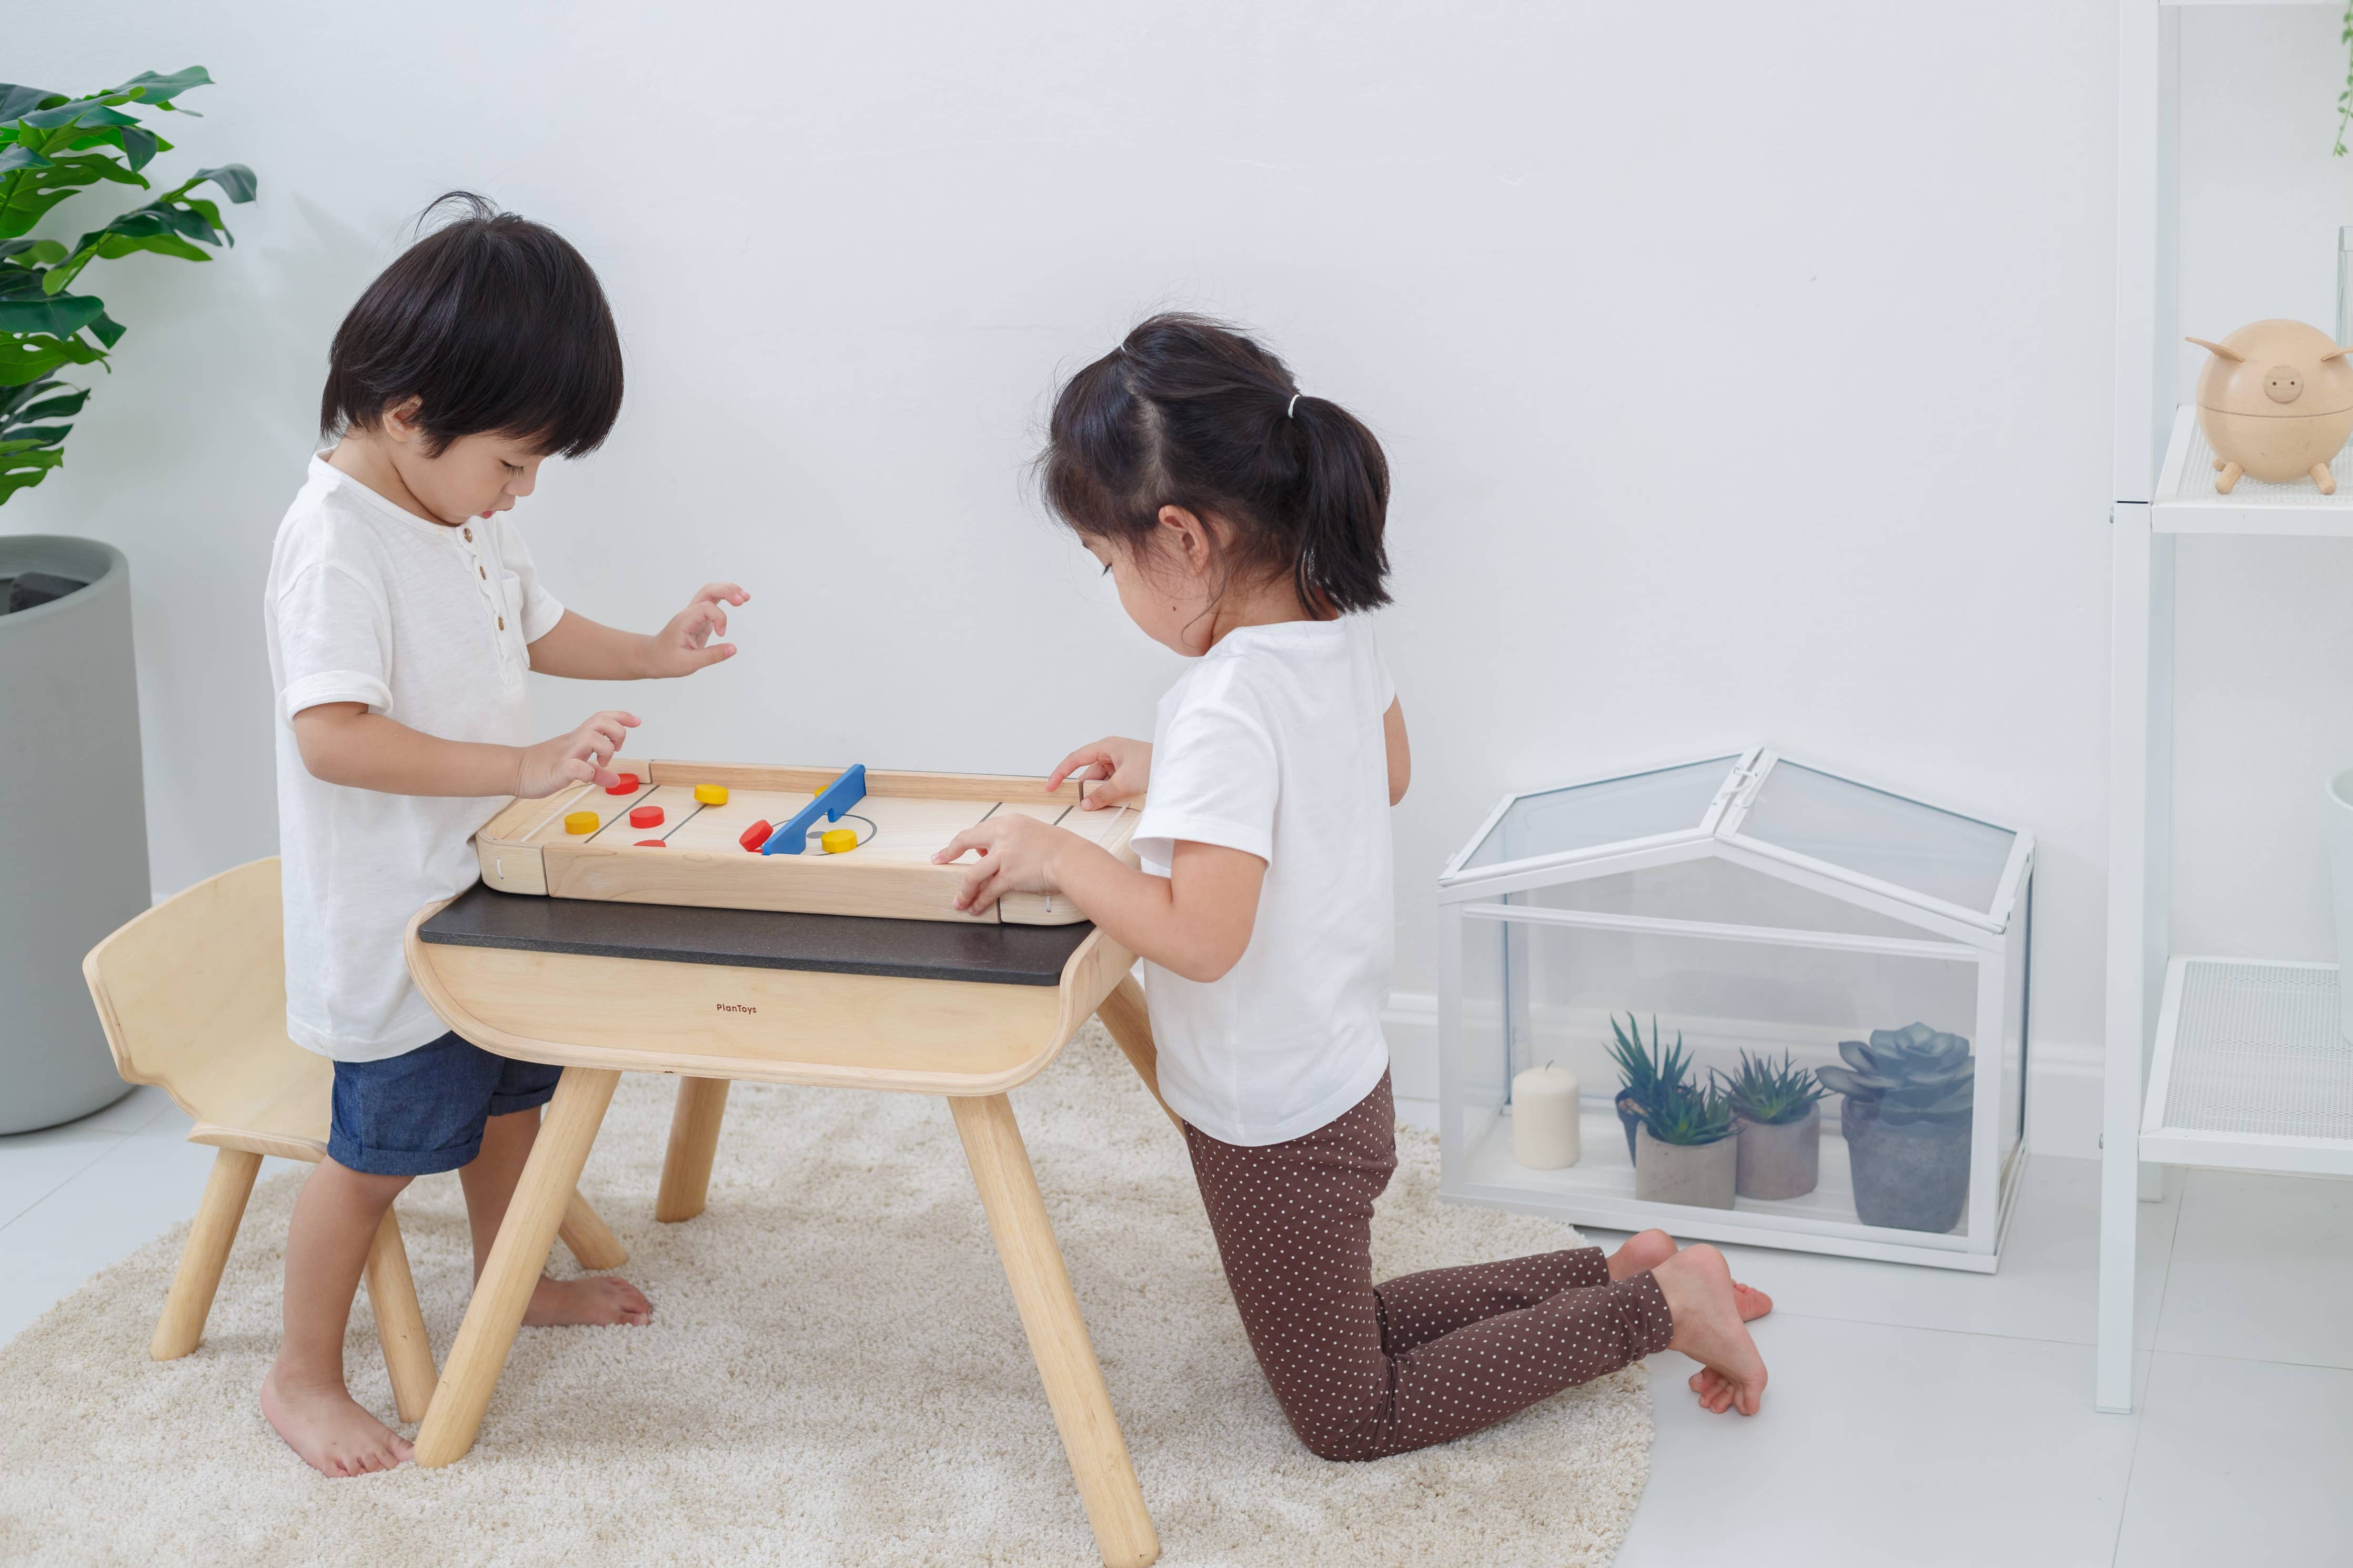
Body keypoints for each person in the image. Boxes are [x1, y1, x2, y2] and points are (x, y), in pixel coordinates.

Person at [935, 313, 1769, 1460]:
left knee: (1350, 1410)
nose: (1110, 587)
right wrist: (1176, 777)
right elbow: (1377, 769)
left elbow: (1203, 936)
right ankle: (1629, 1271)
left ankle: (1661, 1310)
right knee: (1347, 1326)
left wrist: (1058, 853)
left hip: (1269, 1121)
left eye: (1104, 562)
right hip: (1339, 1077)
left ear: (1178, 536)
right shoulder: (1333, 629)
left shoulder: (1223, 703)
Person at [259, 194, 749, 1476]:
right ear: (409, 410)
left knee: (512, 1103)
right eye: (513, 463)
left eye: (536, 470)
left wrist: (651, 654)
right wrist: (521, 762)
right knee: (373, 1158)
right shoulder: (334, 546)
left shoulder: (460, 510)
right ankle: (299, 1374)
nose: (521, 491)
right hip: (389, 923)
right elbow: (334, 735)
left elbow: (532, 626)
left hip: (481, 890)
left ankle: (511, 1278)